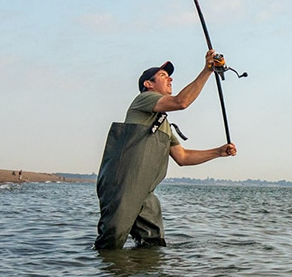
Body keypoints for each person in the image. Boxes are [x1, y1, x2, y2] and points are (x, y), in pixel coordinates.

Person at [94, 50, 237, 250]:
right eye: (163, 75)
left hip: (144, 191)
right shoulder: (143, 99)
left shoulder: (164, 123)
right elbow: (181, 102)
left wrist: (218, 152)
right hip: (121, 185)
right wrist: (207, 71)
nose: (170, 78)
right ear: (148, 84)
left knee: (153, 244)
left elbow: (183, 157)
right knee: (111, 242)